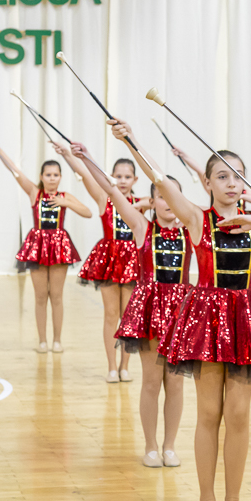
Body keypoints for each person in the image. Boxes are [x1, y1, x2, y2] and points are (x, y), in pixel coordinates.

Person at [109, 120, 251, 501]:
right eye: (221, 176)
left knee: (240, 414)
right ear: (206, 182)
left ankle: (234, 499)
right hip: (208, 322)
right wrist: (130, 140)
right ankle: (208, 498)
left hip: (245, 321)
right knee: (210, 412)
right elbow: (159, 178)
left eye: (237, 176)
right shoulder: (196, 219)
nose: (231, 183)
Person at [70, 141, 192, 466]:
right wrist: (89, 158)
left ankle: (170, 445)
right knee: (152, 382)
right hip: (152, 312)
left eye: (173, 196)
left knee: (176, 384)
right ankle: (151, 445)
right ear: (152, 200)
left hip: (181, 313)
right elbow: (111, 190)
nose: (168, 203)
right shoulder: (142, 227)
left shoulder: (193, 230)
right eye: (161, 196)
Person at [0, 137, 92, 352]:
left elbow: (88, 213)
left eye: (56, 175)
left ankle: (57, 340)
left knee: (57, 296)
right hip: (38, 247)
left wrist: (66, 202)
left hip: (60, 246)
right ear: (42, 177)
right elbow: (15, 172)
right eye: (48, 175)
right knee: (41, 296)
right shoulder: (35, 193)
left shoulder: (65, 196)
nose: (52, 178)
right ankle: (42, 340)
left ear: (61, 177)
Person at [60, 143, 144, 382]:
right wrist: (70, 155)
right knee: (111, 314)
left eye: (128, 176)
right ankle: (111, 366)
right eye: (118, 176)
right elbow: (86, 174)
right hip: (110, 259)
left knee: (128, 315)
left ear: (135, 179)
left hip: (133, 262)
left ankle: (125, 365)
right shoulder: (103, 198)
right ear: (111, 177)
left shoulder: (144, 202)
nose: (123, 180)